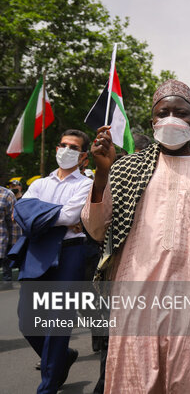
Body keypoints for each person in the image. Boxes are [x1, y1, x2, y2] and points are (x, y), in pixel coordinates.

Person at [81, 79, 190, 393]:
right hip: (133, 308)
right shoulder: (124, 169)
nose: (172, 118)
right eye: (164, 112)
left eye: (181, 113)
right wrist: (102, 175)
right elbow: (96, 229)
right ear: (152, 121)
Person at [15, 129, 93, 393]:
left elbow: (72, 216)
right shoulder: (39, 183)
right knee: (27, 320)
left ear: (83, 156)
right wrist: (57, 217)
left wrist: (42, 215)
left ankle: (47, 386)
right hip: (37, 252)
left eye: (73, 147)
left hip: (71, 253)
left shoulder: (85, 183)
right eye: (63, 144)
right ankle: (63, 357)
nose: (66, 149)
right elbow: (22, 212)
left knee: (58, 324)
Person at [0, 186, 20, 290]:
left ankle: (7, 281)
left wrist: (14, 245)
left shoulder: (6, 194)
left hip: (2, 243)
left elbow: (14, 223)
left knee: (6, 281)